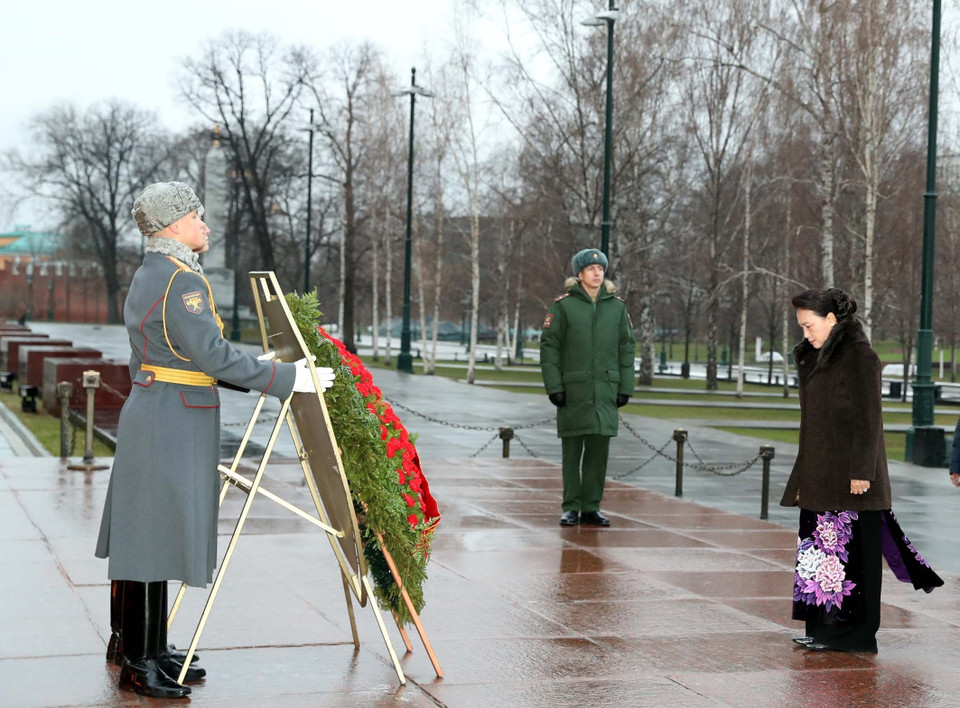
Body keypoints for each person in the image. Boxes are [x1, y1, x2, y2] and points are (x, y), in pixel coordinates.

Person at [95, 182, 334, 699]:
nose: (204, 224)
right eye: (194, 216)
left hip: (158, 409)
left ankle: (144, 646)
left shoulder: (151, 272)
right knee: (151, 539)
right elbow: (212, 355)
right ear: (172, 226)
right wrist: (290, 378)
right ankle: (139, 660)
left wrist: (251, 369)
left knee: (150, 534)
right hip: (173, 419)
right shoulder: (182, 280)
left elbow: (166, 354)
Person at [783, 288, 942, 654]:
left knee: (854, 559)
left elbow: (869, 419)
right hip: (820, 475)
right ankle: (822, 630)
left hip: (852, 478)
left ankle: (855, 635)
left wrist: (861, 471)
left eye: (809, 325)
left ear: (831, 319)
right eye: (801, 326)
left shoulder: (859, 356)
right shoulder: (816, 356)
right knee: (819, 556)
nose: (805, 333)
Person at [540, 248, 635, 527]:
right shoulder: (563, 307)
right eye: (591, 269)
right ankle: (571, 506)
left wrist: (625, 387)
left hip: (605, 391)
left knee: (598, 453)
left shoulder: (617, 308)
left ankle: (591, 507)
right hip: (574, 391)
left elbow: (627, 348)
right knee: (572, 452)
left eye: (601, 269)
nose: (597, 273)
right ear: (579, 274)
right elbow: (549, 348)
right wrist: (554, 387)